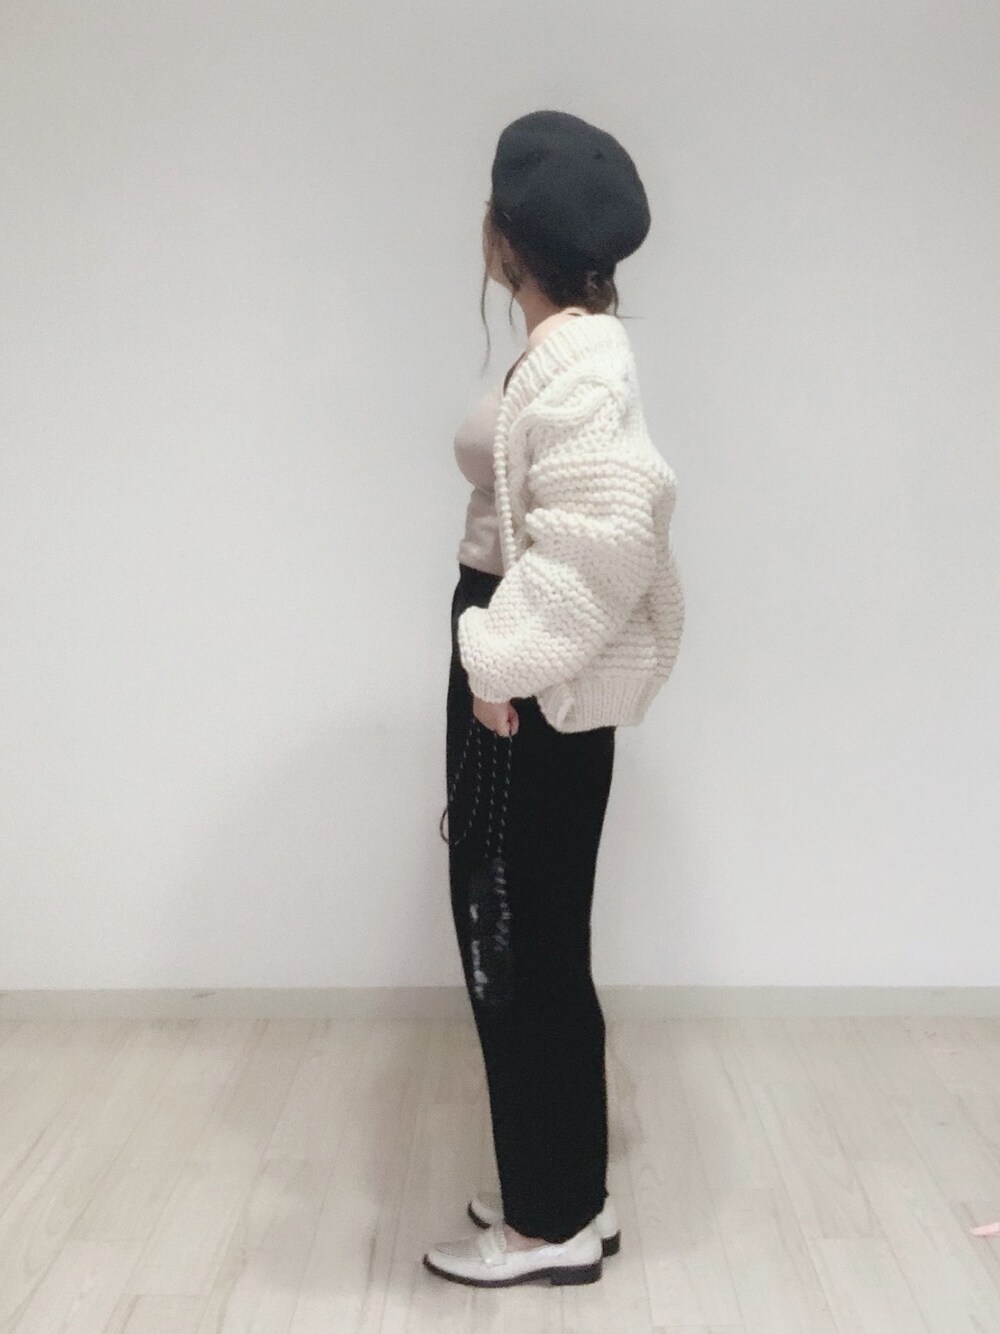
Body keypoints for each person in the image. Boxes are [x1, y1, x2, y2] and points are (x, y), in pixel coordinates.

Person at [424, 109, 686, 1289]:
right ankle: (560, 1184)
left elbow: (605, 538)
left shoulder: (579, 361)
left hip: (524, 679)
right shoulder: (571, 348)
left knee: (512, 940)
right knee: (532, 935)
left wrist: (498, 665)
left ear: (501, 239)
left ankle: (548, 1223)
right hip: (518, 664)